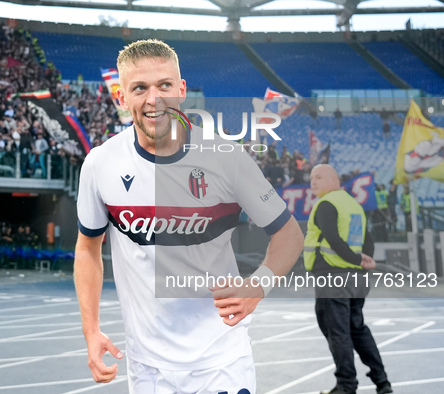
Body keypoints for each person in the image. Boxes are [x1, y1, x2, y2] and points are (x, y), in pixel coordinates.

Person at [74, 39, 304, 393]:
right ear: (121, 97)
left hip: (222, 361)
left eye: (164, 85)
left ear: (180, 90)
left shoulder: (227, 158)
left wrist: (258, 284)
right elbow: (88, 248)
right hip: (147, 368)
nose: (154, 100)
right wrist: (91, 330)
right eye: (140, 88)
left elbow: (289, 234)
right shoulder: (100, 164)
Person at [303, 164, 392, 394]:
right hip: (357, 280)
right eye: (312, 177)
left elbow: (332, 238)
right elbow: (368, 242)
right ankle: (382, 382)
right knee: (357, 328)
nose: (313, 181)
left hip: (333, 277)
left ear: (334, 181)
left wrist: (354, 259)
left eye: (319, 177)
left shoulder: (325, 204)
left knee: (337, 332)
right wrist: (365, 260)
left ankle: (346, 385)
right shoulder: (354, 206)